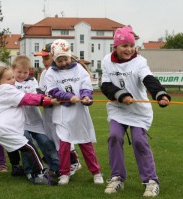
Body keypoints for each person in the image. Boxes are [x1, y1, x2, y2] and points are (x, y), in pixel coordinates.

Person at [100, 26, 171, 197]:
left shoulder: (140, 61)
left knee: (139, 141)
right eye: (124, 45)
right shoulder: (106, 61)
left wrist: (160, 94)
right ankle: (117, 178)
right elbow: (105, 85)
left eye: (131, 45)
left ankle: (151, 181)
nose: (129, 49)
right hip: (118, 109)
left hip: (139, 111)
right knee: (114, 137)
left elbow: (148, 79)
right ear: (115, 47)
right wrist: (121, 96)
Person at [0, 65, 58, 185]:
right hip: (2, 128)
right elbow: (27, 98)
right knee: (30, 148)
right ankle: (39, 174)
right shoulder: (6, 89)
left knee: (14, 147)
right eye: (8, 79)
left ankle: (16, 169)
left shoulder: (0, 91)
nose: (13, 80)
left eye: (13, 77)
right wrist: (48, 100)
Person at [45, 39, 104, 185]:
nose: (64, 63)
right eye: (59, 60)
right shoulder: (50, 72)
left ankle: (96, 172)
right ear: (54, 59)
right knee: (64, 145)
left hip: (79, 114)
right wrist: (69, 97)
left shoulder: (79, 68)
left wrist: (86, 96)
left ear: (70, 56)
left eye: (65, 59)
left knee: (86, 144)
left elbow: (86, 84)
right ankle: (64, 173)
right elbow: (53, 90)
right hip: (62, 115)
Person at [34, 44, 82, 176]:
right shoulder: (45, 73)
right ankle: (58, 163)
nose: (44, 62)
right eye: (42, 59)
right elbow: (42, 90)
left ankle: (74, 162)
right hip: (48, 111)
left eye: (47, 58)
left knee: (63, 137)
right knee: (51, 136)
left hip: (61, 110)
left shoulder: (64, 73)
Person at [11, 55, 60, 176]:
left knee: (46, 143)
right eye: (19, 72)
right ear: (13, 70)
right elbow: (22, 98)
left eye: (25, 72)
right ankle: (30, 170)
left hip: (35, 120)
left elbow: (35, 96)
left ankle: (57, 168)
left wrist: (30, 97)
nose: (22, 75)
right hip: (20, 121)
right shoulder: (11, 83)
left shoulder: (32, 81)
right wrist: (28, 97)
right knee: (27, 144)